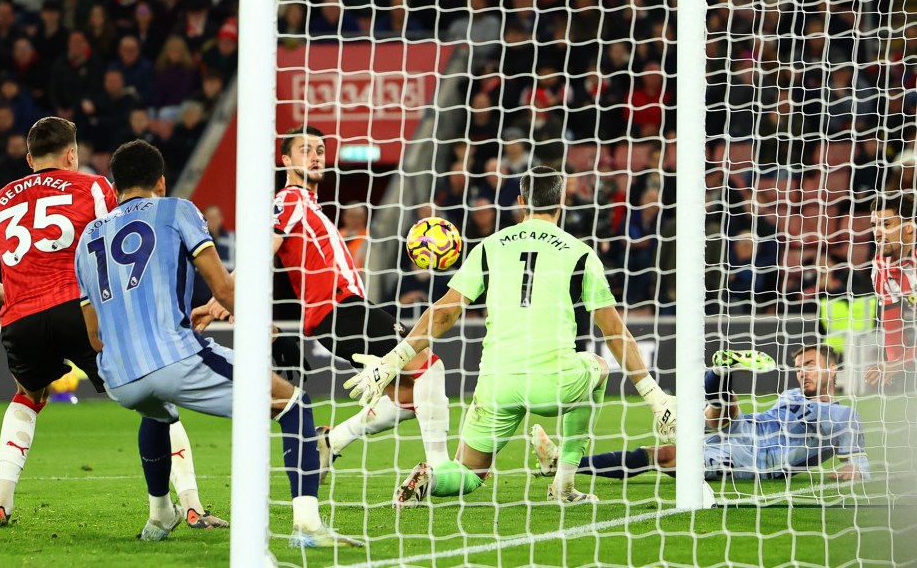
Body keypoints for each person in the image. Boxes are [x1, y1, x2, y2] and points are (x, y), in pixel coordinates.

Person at [74, 140, 360, 546]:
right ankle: (308, 526)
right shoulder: (176, 209)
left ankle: (159, 517)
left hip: (118, 376)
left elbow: (94, 335)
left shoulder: (87, 237)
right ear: (161, 180)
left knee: (156, 414)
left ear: (113, 185)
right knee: (294, 405)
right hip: (174, 357)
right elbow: (224, 287)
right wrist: (263, 329)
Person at [346, 166, 677, 506]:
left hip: (497, 383)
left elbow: (444, 312)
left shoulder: (489, 247)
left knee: (469, 472)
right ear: (561, 202)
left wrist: (392, 361)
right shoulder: (580, 253)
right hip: (555, 383)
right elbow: (613, 331)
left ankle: (433, 477)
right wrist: (654, 398)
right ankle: (563, 485)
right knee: (597, 367)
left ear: (520, 202)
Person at [0, 118, 222, 529]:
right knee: (155, 397)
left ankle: (0, 503)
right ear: (72, 154)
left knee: (28, 397)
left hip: (22, 321)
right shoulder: (93, 187)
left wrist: (23, 295)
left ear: (29, 158)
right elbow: (115, 242)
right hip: (80, 310)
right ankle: (189, 506)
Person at [193, 125, 452, 478]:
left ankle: (331, 443)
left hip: (340, 313)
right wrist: (224, 294)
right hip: (340, 310)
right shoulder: (290, 200)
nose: (315, 156)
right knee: (428, 366)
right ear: (285, 159)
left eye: (320, 149)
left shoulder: (309, 204)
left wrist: (225, 295)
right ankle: (440, 470)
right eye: (305, 149)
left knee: (407, 396)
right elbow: (261, 251)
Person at [539, 347, 870, 482]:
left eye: (810, 365)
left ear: (833, 368)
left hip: (758, 457)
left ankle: (562, 463)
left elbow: (858, 462)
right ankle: (722, 372)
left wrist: (853, 471)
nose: (802, 373)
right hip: (744, 428)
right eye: (798, 367)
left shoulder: (844, 415)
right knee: (722, 411)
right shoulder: (790, 394)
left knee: (663, 455)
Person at [866, 192, 917, 389]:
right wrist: (894, 365)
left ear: (909, 228)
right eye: (874, 226)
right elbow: (892, 324)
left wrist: (901, 363)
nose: (878, 233)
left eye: (886, 225)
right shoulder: (881, 268)